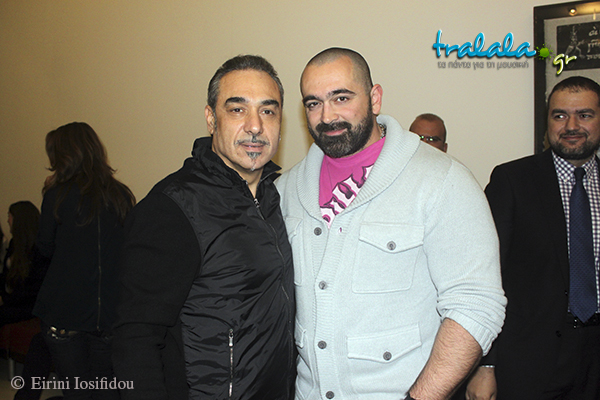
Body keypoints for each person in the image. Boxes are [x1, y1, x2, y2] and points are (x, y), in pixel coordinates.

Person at [275, 47, 506, 400]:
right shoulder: (285, 191)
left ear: (375, 98)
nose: (327, 115)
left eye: (341, 98)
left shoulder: (443, 180)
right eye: (313, 103)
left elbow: (476, 306)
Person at [112, 55, 295, 400]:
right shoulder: (173, 208)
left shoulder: (276, 197)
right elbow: (135, 338)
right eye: (237, 109)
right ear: (211, 118)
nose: (255, 126)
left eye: (268, 111)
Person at [465, 76, 600, 399]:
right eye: (559, 115)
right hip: (529, 364)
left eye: (584, 115)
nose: (571, 126)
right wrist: (485, 365)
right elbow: (484, 277)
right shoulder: (512, 180)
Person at [34, 122, 136, 400]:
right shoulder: (121, 195)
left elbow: (44, 249)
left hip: (65, 312)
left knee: (76, 390)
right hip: (109, 315)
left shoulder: (57, 196)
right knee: (105, 390)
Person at [0, 201, 47, 328]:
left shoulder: (38, 249)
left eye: (9, 216)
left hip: (26, 307)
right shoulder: (14, 244)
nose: (7, 221)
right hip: (12, 301)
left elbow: (33, 289)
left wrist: (7, 299)